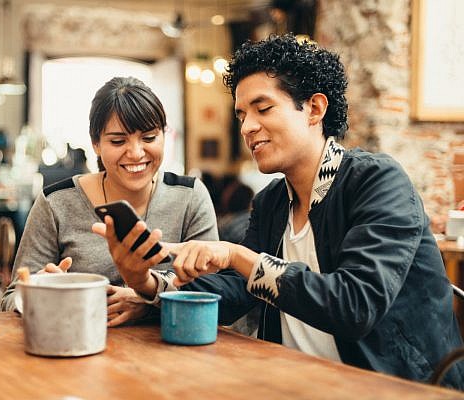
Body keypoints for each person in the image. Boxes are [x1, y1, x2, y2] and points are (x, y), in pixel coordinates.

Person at [93, 35, 464, 387]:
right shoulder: (273, 200)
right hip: (289, 379)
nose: (248, 127)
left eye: (263, 108)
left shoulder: (376, 182)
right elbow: (237, 291)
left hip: (394, 387)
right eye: (241, 116)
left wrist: (237, 255)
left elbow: (355, 306)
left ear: (315, 109)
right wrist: (147, 284)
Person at [1, 77, 218, 327]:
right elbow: (10, 299)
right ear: (96, 144)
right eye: (118, 141)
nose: (136, 153)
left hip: (169, 352)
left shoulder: (189, 197)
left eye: (149, 138)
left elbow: (211, 291)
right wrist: (40, 291)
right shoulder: (56, 203)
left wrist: (146, 301)